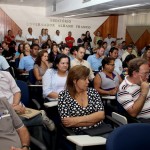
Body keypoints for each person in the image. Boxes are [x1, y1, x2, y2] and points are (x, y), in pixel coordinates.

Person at [58, 65, 105, 134]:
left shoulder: (93, 92)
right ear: (74, 80)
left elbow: (101, 115)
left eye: (88, 78)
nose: (88, 82)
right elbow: (67, 122)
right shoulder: (63, 95)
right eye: (84, 79)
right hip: (79, 134)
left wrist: (76, 120)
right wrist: (94, 119)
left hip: (99, 130)